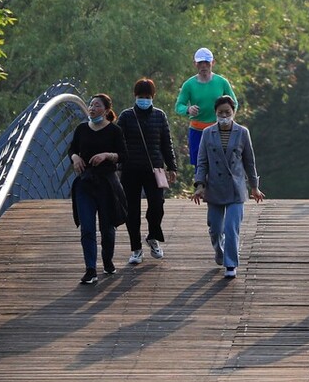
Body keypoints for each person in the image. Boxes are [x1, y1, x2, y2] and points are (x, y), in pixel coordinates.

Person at [191, 95, 264, 278]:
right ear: (215, 113)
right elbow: (202, 161)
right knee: (215, 229)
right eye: (220, 113)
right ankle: (220, 251)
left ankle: (231, 264)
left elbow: (249, 161)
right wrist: (200, 185)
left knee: (231, 227)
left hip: (235, 187)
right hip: (214, 186)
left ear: (233, 112)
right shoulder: (208, 133)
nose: (224, 116)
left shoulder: (242, 132)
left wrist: (254, 186)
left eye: (227, 112)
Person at [116, 78, 178, 263]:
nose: (144, 99)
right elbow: (118, 141)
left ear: (153, 96)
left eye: (147, 96)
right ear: (135, 96)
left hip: (155, 169)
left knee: (157, 205)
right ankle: (136, 249)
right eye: (141, 96)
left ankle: (153, 236)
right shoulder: (126, 116)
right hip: (130, 170)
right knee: (132, 210)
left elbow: (166, 143)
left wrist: (172, 166)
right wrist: (117, 164)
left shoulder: (160, 116)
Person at [68, 93, 127, 284]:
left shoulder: (114, 131)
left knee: (107, 227)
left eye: (97, 106)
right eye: (91, 105)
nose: (92, 108)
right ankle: (90, 269)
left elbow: (123, 155)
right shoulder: (82, 129)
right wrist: (75, 158)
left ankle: (107, 260)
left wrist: (107, 155)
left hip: (106, 183)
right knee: (87, 227)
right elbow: (72, 149)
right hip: (85, 184)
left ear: (107, 110)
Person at [175, 47, 237, 171]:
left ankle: (221, 189)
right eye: (200, 63)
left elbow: (234, 103)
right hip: (197, 130)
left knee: (221, 163)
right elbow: (178, 106)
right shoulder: (189, 84)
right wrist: (188, 110)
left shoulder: (222, 82)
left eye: (206, 63)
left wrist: (228, 120)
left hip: (219, 129)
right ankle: (200, 187)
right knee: (200, 164)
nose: (204, 66)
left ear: (213, 63)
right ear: (195, 64)